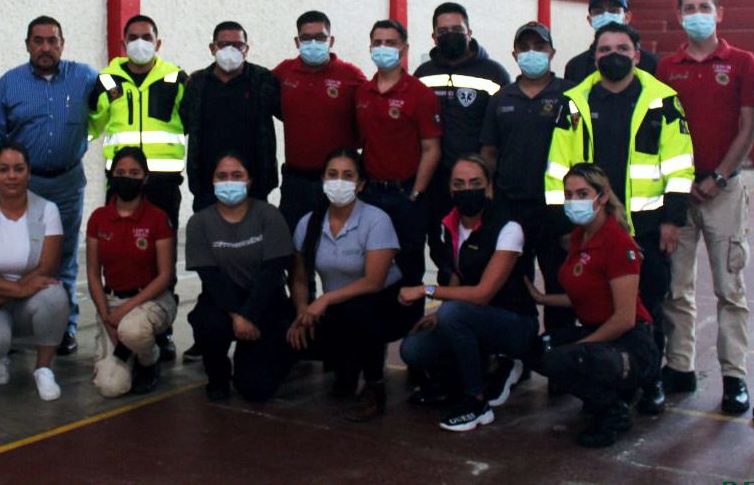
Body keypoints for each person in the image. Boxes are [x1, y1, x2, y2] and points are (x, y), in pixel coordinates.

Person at [545, 21, 694, 415]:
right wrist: (566, 223)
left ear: (637, 54)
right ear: (594, 56)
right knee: (596, 306)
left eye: (622, 48)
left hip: (646, 225)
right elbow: (557, 167)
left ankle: (650, 381)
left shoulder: (663, 100)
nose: (613, 55)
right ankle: (606, 380)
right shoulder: (574, 102)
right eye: (605, 49)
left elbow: (679, 166)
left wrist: (672, 220)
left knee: (649, 307)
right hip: (591, 226)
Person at [655, 0, 754, 414]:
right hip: (680, 192)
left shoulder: (742, 62)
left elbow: (749, 126)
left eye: (704, 7)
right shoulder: (667, 67)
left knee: (729, 286)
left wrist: (718, 176)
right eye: (689, 8)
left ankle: (734, 376)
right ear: (679, 15)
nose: (697, 14)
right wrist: (680, 184)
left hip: (724, 191)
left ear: (719, 13)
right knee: (676, 288)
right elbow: (661, 132)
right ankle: (679, 366)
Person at [399, 155, 535, 432]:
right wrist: (439, 314)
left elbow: (483, 294)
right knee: (413, 349)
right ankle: (459, 383)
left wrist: (426, 290)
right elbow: (457, 274)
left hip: (514, 323)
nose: (467, 189)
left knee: (454, 313)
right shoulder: (449, 224)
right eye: (459, 184)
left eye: (475, 183)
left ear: (489, 188)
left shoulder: (508, 227)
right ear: (450, 189)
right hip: (472, 316)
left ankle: (477, 402)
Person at [528, 163, 660, 448]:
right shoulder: (580, 236)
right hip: (601, 335)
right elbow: (587, 295)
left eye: (582, 194)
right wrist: (542, 298)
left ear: (602, 196)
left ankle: (614, 412)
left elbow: (624, 319)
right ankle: (606, 394)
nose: (574, 201)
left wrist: (581, 347)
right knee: (537, 350)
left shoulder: (616, 242)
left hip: (631, 341)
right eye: (568, 194)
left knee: (565, 358)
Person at [0, 15, 96, 355]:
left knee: (64, 256)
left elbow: (119, 86)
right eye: (38, 41)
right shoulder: (10, 83)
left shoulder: (85, 77)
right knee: (18, 255)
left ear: (62, 44)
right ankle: (18, 326)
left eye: (52, 40)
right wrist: (3, 180)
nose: (45, 47)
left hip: (67, 183)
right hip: (24, 186)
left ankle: (64, 327)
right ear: (27, 45)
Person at [286, 148, 413, 422]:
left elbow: (373, 282)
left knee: (358, 310)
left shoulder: (376, 220)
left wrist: (324, 300)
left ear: (361, 184)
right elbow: (299, 278)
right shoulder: (308, 223)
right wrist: (302, 310)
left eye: (348, 176)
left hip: (385, 304)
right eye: (332, 175)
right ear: (322, 180)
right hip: (339, 305)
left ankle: (374, 386)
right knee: (296, 332)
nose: (339, 182)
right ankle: (346, 364)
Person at [88, 14, 186, 361]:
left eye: (147, 37)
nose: (140, 43)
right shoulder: (107, 80)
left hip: (163, 185)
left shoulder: (176, 79)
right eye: (133, 37)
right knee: (119, 256)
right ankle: (116, 319)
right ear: (123, 42)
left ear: (158, 43)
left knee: (162, 263)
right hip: (122, 185)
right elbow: (91, 126)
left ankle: (162, 331)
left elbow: (194, 125)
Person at [480, 22, 575, 332]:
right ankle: (521, 345)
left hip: (556, 208)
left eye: (539, 47)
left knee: (560, 279)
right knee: (513, 282)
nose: (532, 53)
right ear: (514, 54)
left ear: (552, 52)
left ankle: (559, 346)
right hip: (511, 206)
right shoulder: (501, 98)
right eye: (525, 48)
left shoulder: (570, 95)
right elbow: (489, 152)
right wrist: (489, 194)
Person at [0, 142, 67, 401]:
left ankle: (43, 369)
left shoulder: (48, 210)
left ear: (29, 172)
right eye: (4, 169)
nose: (12, 176)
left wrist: (0, 296)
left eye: (19, 169)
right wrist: (18, 289)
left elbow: (47, 268)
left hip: (17, 298)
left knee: (55, 296)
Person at [413, 3, 511, 281]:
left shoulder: (493, 72)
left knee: (481, 249)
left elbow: (502, 131)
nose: (450, 35)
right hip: (437, 183)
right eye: (443, 31)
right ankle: (448, 297)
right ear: (434, 36)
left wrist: (490, 180)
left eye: (456, 29)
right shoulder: (423, 73)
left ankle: (478, 298)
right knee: (441, 249)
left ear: (469, 32)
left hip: (477, 184)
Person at [186, 152, 295, 402]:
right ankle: (218, 378)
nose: (229, 181)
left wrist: (249, 315)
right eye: (222, 176)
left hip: (264, 299)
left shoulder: (269, 215)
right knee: (208, 323)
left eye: (237, 175)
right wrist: (237, 316)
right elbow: (210, 277)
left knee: (256, 389)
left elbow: (273, 272)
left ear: (249, 180)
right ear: (212, 181)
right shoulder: (199, 223)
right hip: (222, 299)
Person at [355, 19, 441, 289]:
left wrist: (415, 193)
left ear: (404, 48)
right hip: (370, 195)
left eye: (390, 43)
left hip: (406, 195)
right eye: (377, 43)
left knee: (408, 269)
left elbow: (431, 148)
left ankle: (409, 315)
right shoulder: (362, 92)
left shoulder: (420, 94)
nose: (383, 48)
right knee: (369, 267)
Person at [85, 147, 176, 398]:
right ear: (111, 175)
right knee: (111, 387)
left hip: (151, 300)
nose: (127, 177)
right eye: (121, 172)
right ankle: (130, 354)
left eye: (135, 173)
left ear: (145, 178)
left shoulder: (157, 218)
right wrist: (106, 316)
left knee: (132, 331)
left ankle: (149, 359)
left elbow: (165, 276)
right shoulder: (98, 218)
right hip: (111, 302)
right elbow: (93, 274)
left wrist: (123, 311)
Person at [272, 11, 367, 231]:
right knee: (294, 243)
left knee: (340, 241)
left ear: (331, 40)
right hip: (296, 181)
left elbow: (370, 116)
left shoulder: (351, 76)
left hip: (339, 182)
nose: (313, 43)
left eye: (320, 37)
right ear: (297, 41)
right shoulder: (284, 72)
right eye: (306, 38)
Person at [181, 21, 280, 212]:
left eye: (237, 45)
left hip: (255, 186)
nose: (230, 50)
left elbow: (288, 114)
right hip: (207, 187)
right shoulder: (197, 83)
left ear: (246, 49)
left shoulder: (262, 79)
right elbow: (183, 123)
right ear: (212, 48)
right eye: (223, 44)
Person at [563, 0, 659, 83]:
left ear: (627, 17)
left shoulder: (650, 63)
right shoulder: (575, 67)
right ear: (590, 20)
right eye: (598, 12)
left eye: (613, 10)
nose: (606, 16)